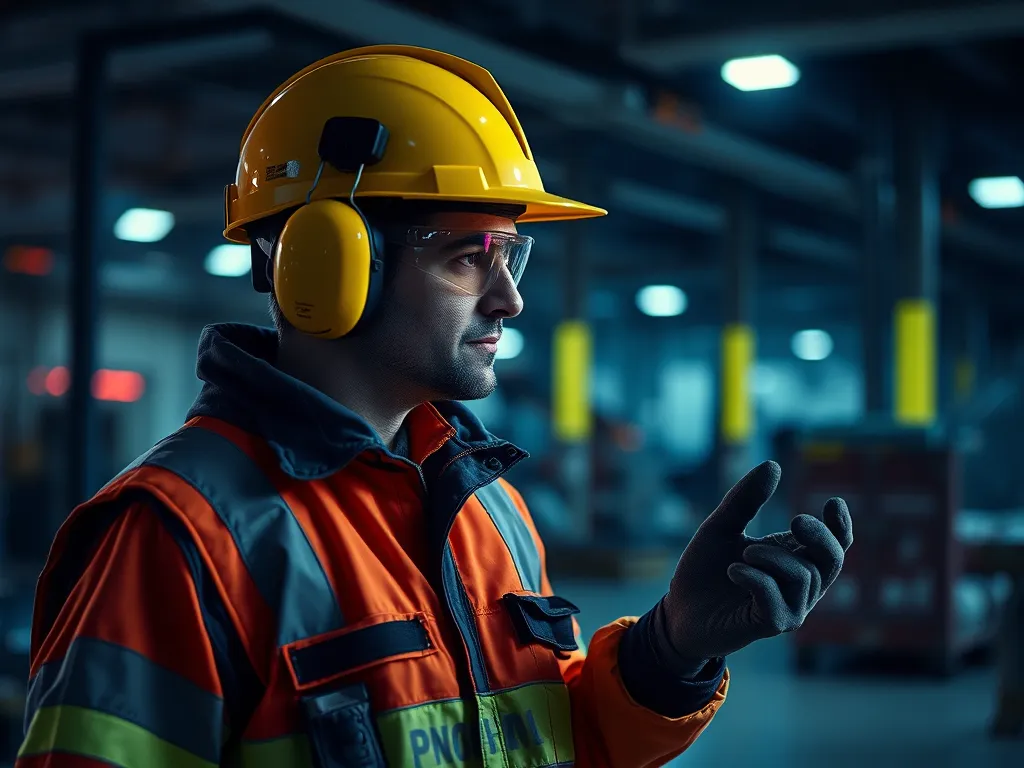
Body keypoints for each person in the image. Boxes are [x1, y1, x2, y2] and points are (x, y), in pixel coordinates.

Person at [16, 46, 853, 768]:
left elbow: (545, 741)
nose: (510, 300)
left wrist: (672, 649)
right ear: (328, 264)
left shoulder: (490, 508)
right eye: (468, 256)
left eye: (513, 255)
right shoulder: (179, 540)